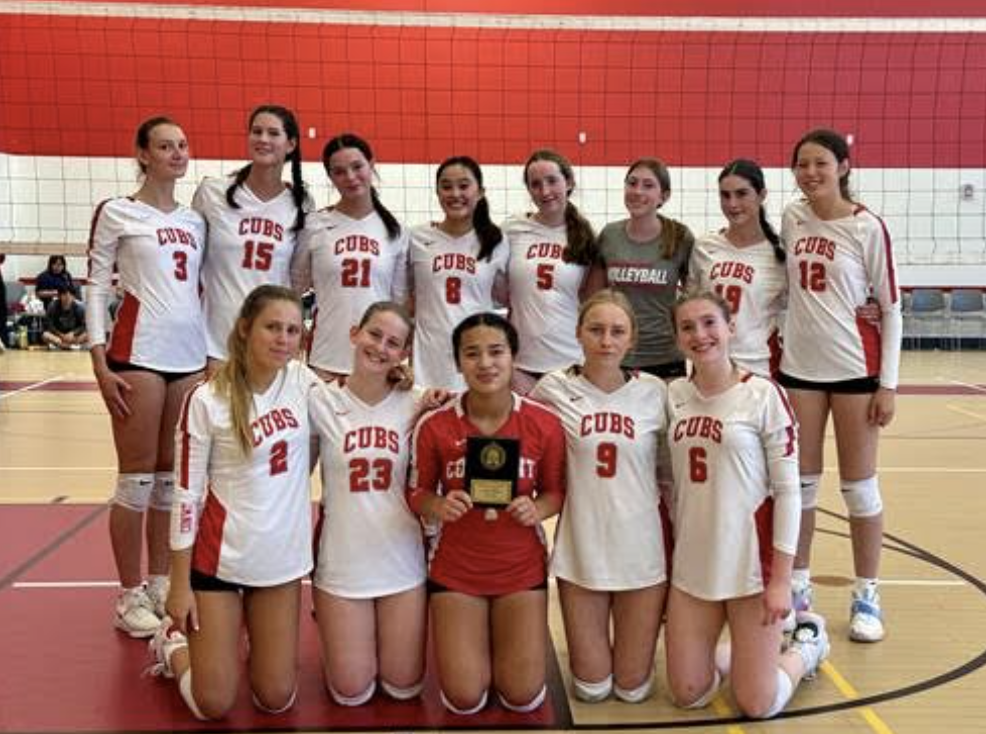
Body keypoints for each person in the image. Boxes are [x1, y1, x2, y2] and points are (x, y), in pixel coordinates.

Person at [148, 285, 317, 720]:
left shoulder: (302, 381)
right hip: (219, 561)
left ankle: (234, 641)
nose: (283, 339)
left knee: (276, 697)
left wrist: (406, 385)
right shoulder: (206, 400)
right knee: (214, 704)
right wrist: (179, 584)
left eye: (292, 330)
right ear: (245, 329)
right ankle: (172, 645)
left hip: (280, 561)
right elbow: (186, 497)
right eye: (272, 327)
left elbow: (356, 401)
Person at [664, 290, 829, 719]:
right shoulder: (673, 396)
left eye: (709, 323)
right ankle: (745, 656)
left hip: (751, 570)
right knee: (688, 692)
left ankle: (807, 647)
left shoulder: (763, 395)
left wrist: (782, 579)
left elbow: (789, 491)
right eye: (687, 327)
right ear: (678, 338)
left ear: (730, 327)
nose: (700, 335)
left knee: (757, 704)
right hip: (693, 567)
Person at [407, 312, 566, 715]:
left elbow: (555, 492)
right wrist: (439, 506)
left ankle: (499, 640)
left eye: (496, 352)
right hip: (456, 569)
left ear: (513, 357)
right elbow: (416, 492)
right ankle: (477, 641)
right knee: (464, 698)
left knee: (522, 695)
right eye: (472, 354)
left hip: (520, 568)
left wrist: (538, 508)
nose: (485, 363)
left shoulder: (544, 422)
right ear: (458, 362)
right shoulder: (435, 424)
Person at [86, 116, 207, 637]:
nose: (177, 154)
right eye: (165, 146)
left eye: (182, 145)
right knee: (135, 479)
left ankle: (159, 580)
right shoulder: (118, 211)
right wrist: (97, 358)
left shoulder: (195, 220)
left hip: (189, 358)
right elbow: (95, 285)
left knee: (168, 481)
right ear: (143, 154)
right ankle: (128, 593)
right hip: (136, 354)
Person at [779, 128, 902, 643]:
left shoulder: (867, 226)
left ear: (844, 167)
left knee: (858, 489)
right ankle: (798, 588)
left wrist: (889, 385)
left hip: (855, 369)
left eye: (821, 164)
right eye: (802, 165)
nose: (811, 173)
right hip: (800, 369)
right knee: (800, 488)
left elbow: (891, 308)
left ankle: (866, 594)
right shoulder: (791, 217)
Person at [530, 289, 668, 704]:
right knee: (590, 690)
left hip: (641, 552)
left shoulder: (657, 392)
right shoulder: (552, 388)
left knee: (632, 690)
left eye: (616, 331)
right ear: (578, 334)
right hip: (582, 549)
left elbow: (674, 471)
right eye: (596, 330)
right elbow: (507, 420)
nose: (606, 341)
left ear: (632, 339)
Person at [309, 302, 426, 706]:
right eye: (374, 334)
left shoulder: (419, 402)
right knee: (351, 691)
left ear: (405, 353)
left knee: (403, 686)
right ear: (355, 332)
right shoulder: (319, 400)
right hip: (343, 564)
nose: (381, 347)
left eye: (394, 343)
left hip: (403, 561)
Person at [194, 104, 309, 372]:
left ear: (290, 144)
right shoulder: (213, 192)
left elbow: (298, 276)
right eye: (256, 131)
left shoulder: (301, 203)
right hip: (215, 340)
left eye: (273, 133)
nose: (263, 139)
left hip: (273, 344)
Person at [292, 133, 408, 381]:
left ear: (371, 165)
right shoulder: (315, 225)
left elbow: (398, 303)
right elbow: (294, 286)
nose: (351, 177)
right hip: (325, 358)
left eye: (357, 167)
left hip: (378, 361)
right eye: (340, 171)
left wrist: (400, 356)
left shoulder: (395, 231)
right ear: (330, 177)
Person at [409, 157, 509, 391]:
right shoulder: (417, 238)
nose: (455, 193)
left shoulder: (496, 241)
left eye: (464, 186)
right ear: (437, 192)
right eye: (446, 186)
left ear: (480, 191)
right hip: (429, 358)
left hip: (478, 355)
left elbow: (504, 294)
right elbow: (404, 295)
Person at [589, 158, 694, 379]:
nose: (637, 191)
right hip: (617, 354)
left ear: (663, 196)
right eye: (632, 183)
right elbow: (594, 298)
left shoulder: (679, 237)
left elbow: (692, 298)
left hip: (665, 356)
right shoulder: (610, 235)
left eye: (648, 185)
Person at [503, 149, 596, 393]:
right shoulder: (512, 229)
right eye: (536, 184)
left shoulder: (585, 237)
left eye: (552, 181)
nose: (545, 191)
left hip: (571, 362)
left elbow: (592, 301)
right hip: (521, 363)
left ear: (569, 182)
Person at [687, 159, 787, 376]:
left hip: (758, 367)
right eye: (725, 195)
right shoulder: (705, 246)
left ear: (761, 195)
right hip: (708, 362)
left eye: (741, 194)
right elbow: (691, 303)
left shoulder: (781, 255)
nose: (732, 204)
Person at [41, 284, 88, 349]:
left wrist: (73, 333)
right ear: (59, 296)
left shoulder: (80, 307)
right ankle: (72, 346)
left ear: (74, 296)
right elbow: (49, 325)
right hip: (58, 336)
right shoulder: (52, 306)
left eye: (70, 295)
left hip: (73, 337)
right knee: (45, 335)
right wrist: (61, 335)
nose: (67, 297)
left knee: (89, 335)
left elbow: (84, 325)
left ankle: (61, 346)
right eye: (64, 294)